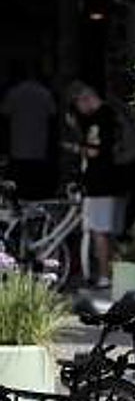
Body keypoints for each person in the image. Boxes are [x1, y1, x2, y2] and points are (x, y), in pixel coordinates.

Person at [68, 82, 128, 288]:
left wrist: (76, 146)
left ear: (84, 99)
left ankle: (104, 275)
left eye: (78, 105)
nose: (80, 111)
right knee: (110, 231)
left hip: (100, 182)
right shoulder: (113, 115)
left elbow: (94, 151)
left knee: (99, 231)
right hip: (115, 180)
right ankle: (114, 273)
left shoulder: (99, 119)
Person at [0, 62, 57, 199]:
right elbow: (53, 114)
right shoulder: (44, 93)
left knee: (20, 183)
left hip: (18, 146)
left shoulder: (14, 93)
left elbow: (4, 113)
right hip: (39, 146)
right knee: (36, 182)